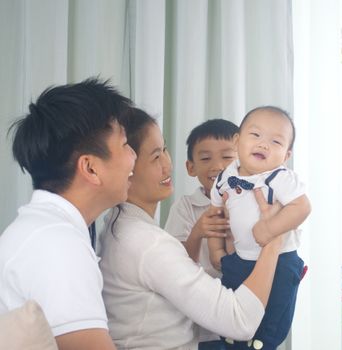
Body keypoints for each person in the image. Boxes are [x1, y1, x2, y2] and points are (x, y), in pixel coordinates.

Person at [98, 107, 285, 350]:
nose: (167, 165)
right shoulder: (148, 242)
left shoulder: (118, 225)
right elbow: (240, 320)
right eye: (155, 157)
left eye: (164, 149)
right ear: (126, 167)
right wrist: (275, 235)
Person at [0, 78, 136, 350]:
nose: (134, 156)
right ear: (91, 168)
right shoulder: (58, 245)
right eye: (124, 144)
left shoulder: (42, 228)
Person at [208, 106, 311, 350]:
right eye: (255, 135)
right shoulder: (225, 177)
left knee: (275, 312)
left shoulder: (280, 178)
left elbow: (302, 207)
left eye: (275, 141)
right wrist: (215, 251)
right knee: (235, 305)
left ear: (286, 155)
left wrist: (270, 229)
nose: (264, 144)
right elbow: (216, 213)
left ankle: (263, 342)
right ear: (237, 140)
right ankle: (235, 339)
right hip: (241, 257)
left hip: (281, 260)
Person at [165, 119, 239, 348]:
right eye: (206, 158)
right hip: (204, 325)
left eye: (227, 157)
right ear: (191, 167)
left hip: (244, 313)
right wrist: (198, 231)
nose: (217, 166)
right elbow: (174, 267)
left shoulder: (254, 203)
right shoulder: (184, 207)